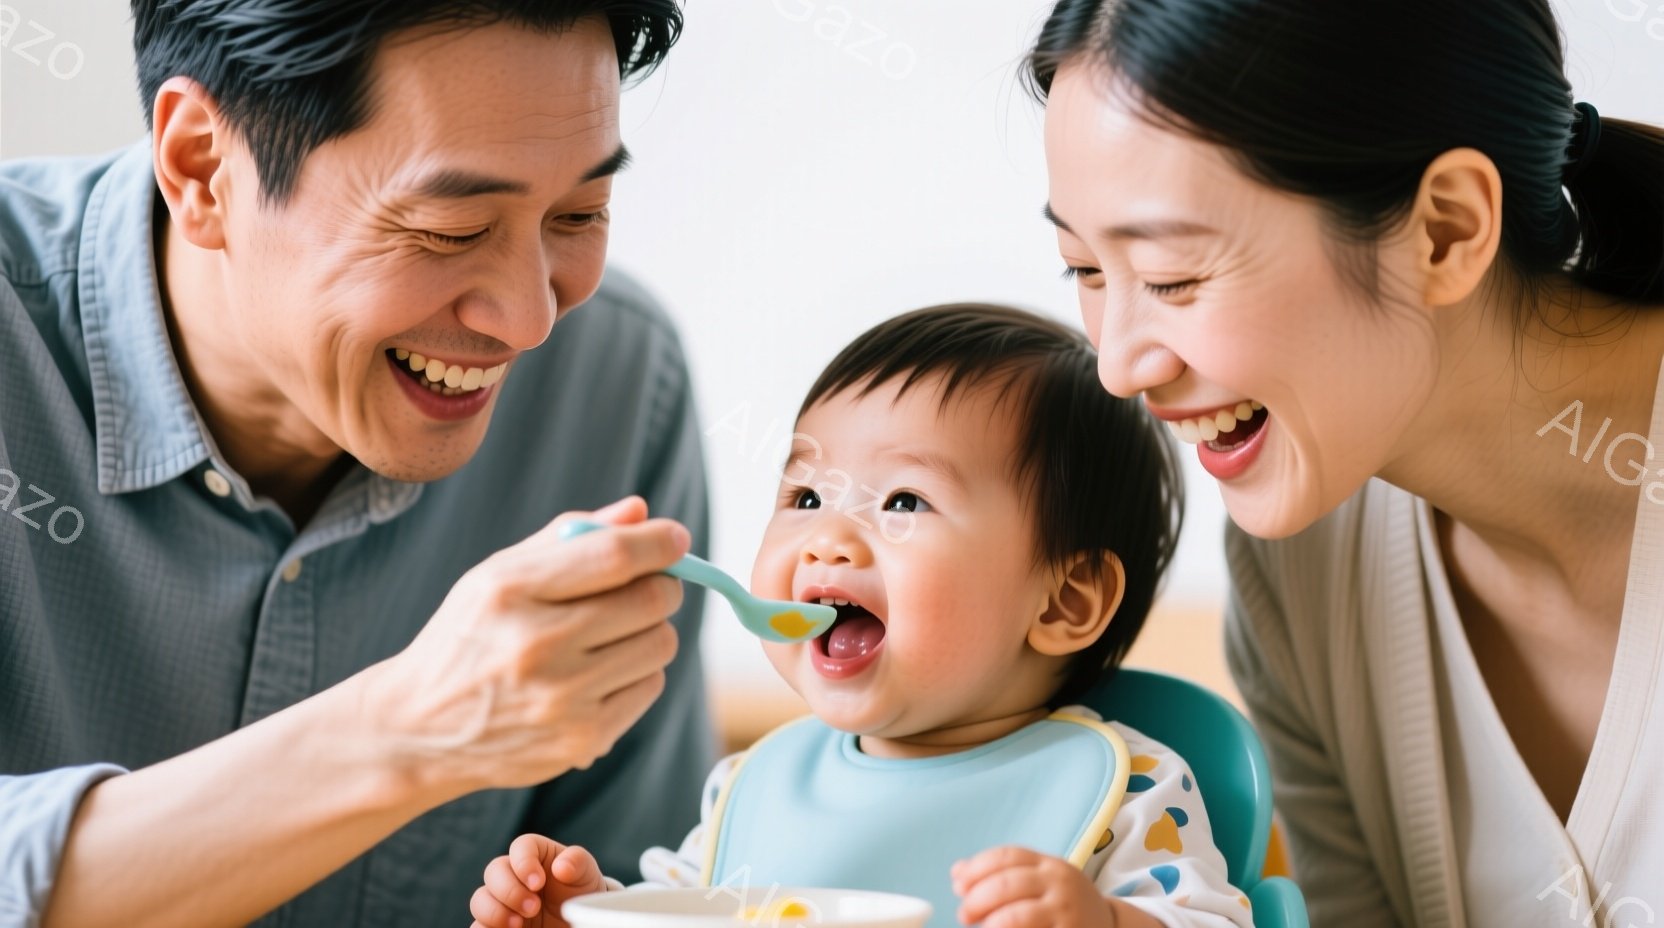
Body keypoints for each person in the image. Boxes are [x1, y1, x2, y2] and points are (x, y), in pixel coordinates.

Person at [0, 3, 718, 926]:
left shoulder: (617, 380)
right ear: (203, 167)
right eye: (449, 229)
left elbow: (646, 879)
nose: (532, 319)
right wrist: (410, 729)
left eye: (579, 213)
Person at [1026, 0, 1664, 924]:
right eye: (1085, 270)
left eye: (1172, 277)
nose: (1119, 368)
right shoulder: (1303, 570)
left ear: (1444, 230)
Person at [468, 304, 1256, 928]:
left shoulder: (1127, 790)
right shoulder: (752, 788)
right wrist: (589, 912)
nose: (829, 537)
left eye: (905, 501)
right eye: (806, 497)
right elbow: (688, 915)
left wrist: (1106, 922)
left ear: (1064, 601)